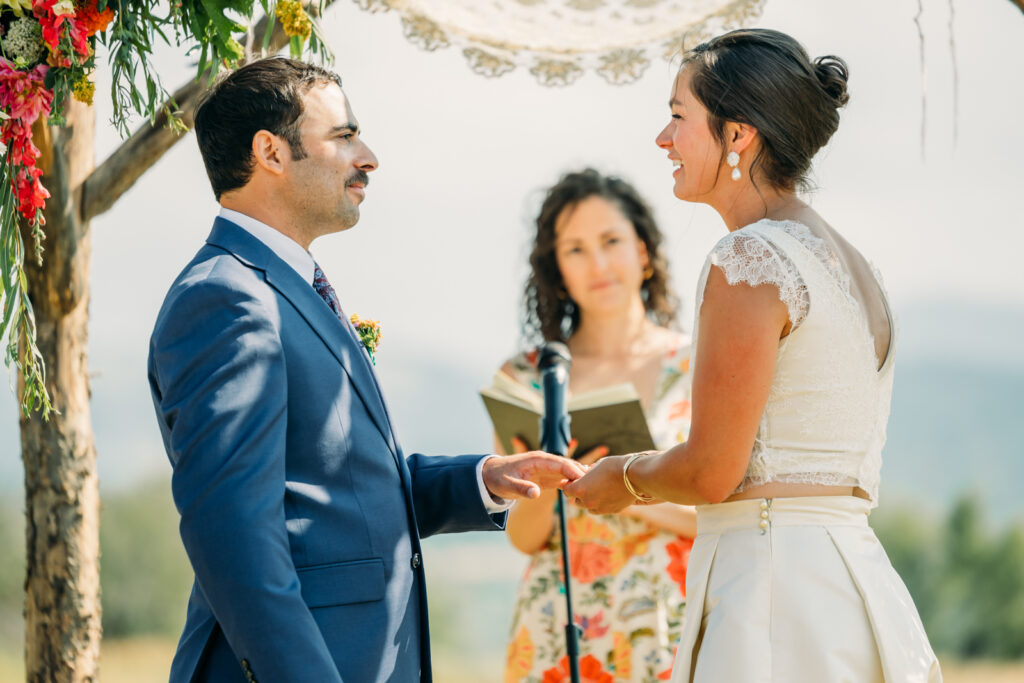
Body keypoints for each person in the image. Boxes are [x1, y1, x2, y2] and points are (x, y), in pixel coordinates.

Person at [147, 57, 584, 683]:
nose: (370, 157)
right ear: (270, 151)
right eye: (345, 135)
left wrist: (480, 479)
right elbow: (236, 538)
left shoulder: (289, 286)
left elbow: (328, 488)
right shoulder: (227, 299)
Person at [564, 29, 942, 682]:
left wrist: (621, 475)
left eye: (679, 117)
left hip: (774, 597)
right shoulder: (858, 267)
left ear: (739, 136)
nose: (663, 139)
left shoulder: (750, 259)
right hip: (855, 582)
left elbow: (713, 470)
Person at [500, 169, 698, 682]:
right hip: (556, 626)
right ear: (556, 268)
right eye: (576, 250)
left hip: (672, 620)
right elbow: (523, 538)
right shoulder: (526, 376)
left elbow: (727, 510)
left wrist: (623, 486)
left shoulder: (703, 366)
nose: (598, 264)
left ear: (644, 252)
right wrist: (546, 481)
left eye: (611, 241)